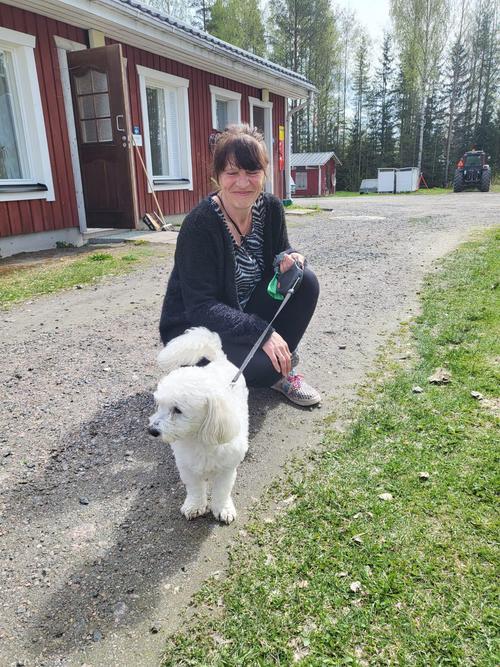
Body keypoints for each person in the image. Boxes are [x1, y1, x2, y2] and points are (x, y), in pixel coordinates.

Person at [159, 124, 320, 406]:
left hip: (243, 313)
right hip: (197, 328)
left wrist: (291, 256)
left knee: (305, 281)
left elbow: (281, 248)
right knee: (263, 369)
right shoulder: (200, 224)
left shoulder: (270, 208)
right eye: (232, 173)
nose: (243, 183)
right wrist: (262, 332)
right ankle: (212, 376)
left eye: (252, 172)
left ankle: (283, 368)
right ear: (217, 176)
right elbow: (200, 307)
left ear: (264, 174)